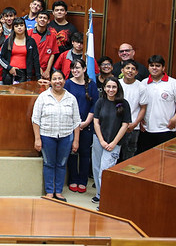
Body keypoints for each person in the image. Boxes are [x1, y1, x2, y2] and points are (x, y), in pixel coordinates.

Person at [31, 69, 80, 202]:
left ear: (64, 81)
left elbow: (77, 122)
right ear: (50, 81)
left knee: (62, 164)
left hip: (66, 136)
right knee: (49, 164)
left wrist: (76, 141)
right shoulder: (43, 97)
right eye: (55, 79)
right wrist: (37, 139)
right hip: (47, 136)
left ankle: (58, 191)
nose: (57, 81)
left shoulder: (71, 98)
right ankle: (49, 192)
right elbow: (35, 119)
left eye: (60, 79)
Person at [91, 76, 131, 204]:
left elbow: (125, 125)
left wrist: (113, 143)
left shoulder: (124, 103)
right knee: (97, 168)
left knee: (105, 171)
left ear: (118, 88)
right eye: (108, 86)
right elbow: (96, 122)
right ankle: (99, 193)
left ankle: (106, 200)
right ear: (104, 88)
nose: (111, 89)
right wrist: (102, 140)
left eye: (114, 87)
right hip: (99, 140)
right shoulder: (100, 102)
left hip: (114, 143)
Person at [137, 55, 176, 153]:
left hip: (166, 129)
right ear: (148, 67)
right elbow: (140, 104)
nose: (154, 68)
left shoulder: (173, 83)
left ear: (163, 68)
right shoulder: (143, 83)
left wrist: (175, 118)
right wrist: (140, 119)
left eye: (158, 65)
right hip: (146, 130)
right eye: (152, 65)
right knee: (146, 160)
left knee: (165, 160)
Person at [64, 59, 99, 195]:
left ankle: (82, 181)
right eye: (73, 68)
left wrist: (86, 122)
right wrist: (75, 124)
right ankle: (73, 179)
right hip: (70, 124)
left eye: (78, 68)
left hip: (87, 124)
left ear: (85, 69)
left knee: (85, 154)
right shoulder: (67, 84)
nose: (75, 70)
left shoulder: (92, 85)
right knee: (73, 153)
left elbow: (95, 105)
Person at [118, 59, 147, 162]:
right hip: (117, 125)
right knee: (114, 154)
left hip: (133, 127)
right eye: (127, 68)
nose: (130, 71)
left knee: (129, 156)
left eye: (133, 69)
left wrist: (135, 124)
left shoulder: (141, 87)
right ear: (122, 70)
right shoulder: (117, 84)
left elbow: (143, 108)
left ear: (136, 72)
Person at [0, 17, 40, 84]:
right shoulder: (8, 41)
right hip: (10, 74)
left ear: (25, 27)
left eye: (21, 25)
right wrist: (9, 68)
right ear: (13, 28)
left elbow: (36, 59)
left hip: (26, 75)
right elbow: (0, 58)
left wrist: (38, 77)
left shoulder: (31, 41)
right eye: (16, 26)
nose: (19, 28)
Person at [28, 11, 58, 79]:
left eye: (45, 18)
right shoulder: (29, 34)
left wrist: (48, 70)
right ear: (36, 20)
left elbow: (52, 54)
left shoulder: (52, 36)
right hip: (30, 69)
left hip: (45, 71)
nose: (42, 19)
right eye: (40, 17)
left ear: (48, 21)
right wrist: (38, 67)